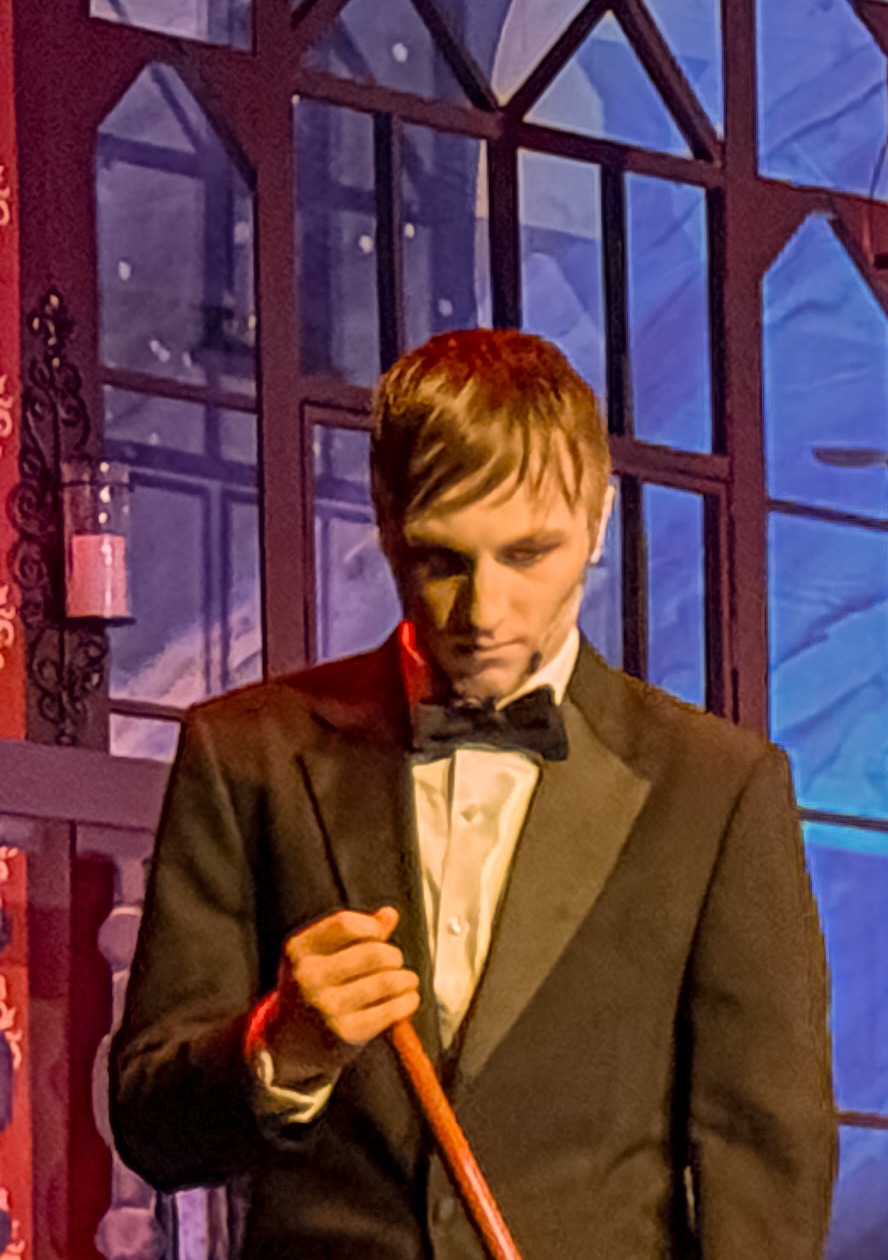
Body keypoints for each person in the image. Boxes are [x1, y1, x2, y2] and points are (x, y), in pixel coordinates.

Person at [108, 330, 837, 1258]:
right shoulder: (246, 754)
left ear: (599, 521)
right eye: (443, 561)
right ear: (385, 523)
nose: (484, 613)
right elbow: (150, 1125)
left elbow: (764, 1164)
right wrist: (282, 1048)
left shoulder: (718, 789)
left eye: (528, 556)